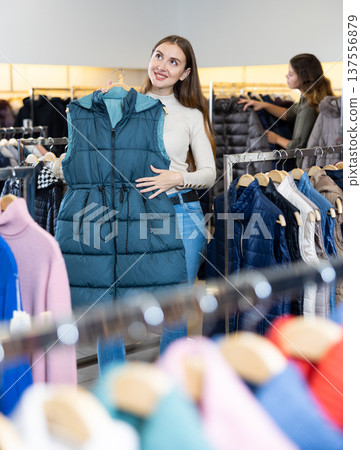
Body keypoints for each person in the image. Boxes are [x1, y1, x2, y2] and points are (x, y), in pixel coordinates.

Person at [99, 35, 216, 363]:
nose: (162, 66)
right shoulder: (124, 102)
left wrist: (177, 177)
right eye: (158, 56)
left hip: (181, 213)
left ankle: (169, 389)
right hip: (129, 215)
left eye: (173, 62)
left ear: (185, 73)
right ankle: (114, 387)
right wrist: (101, 108)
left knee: (174, 314)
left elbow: (209, 173)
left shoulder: (191, 115)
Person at [239, 53, 334, 151]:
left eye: (291, 74)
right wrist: (264, 105)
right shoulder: (307, 100)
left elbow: (298, 146)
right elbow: (289, 113)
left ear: (303, 78)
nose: (286, 76)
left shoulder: (309, 106)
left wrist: (277, 139)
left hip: (306, 165)